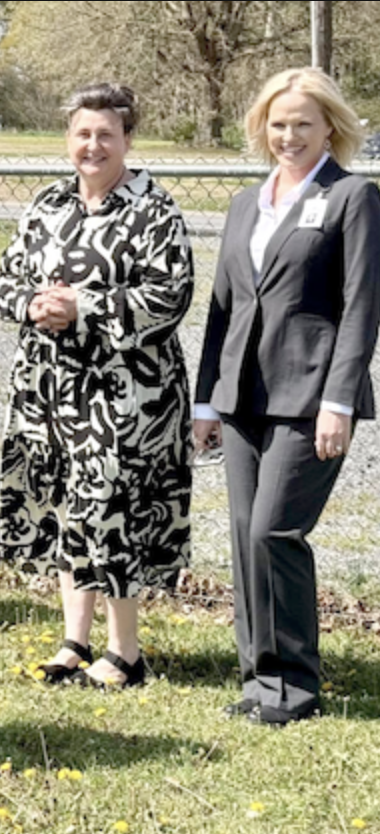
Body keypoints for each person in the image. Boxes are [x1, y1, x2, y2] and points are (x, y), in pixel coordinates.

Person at [0, 83, 193, 688]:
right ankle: (74, 639)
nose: (93, 145)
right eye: (82, 133)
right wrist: (34, 305)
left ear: (128, 139)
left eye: (106, 134)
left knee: (114, 512)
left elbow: (169, 296)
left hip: (126, 397)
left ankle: (124, 651)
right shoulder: (47, 204)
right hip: (50, 389)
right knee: (64, 508)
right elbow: (1, 282)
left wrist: (83, 306)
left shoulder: (154, 208)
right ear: (67, 138)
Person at [194, 68, 380, 726]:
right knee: (245, 538)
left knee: (276, 530)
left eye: (303, 122)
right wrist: (204, 402)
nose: (289, 135)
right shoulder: (247, 202)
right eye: (277, 123)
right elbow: (223, 307)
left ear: (330, 125)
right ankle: (256, 684)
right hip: (242, 395)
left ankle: (294, 688)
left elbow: (361, 308)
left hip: (310, 396)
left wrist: (339, 401)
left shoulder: (354, 197)